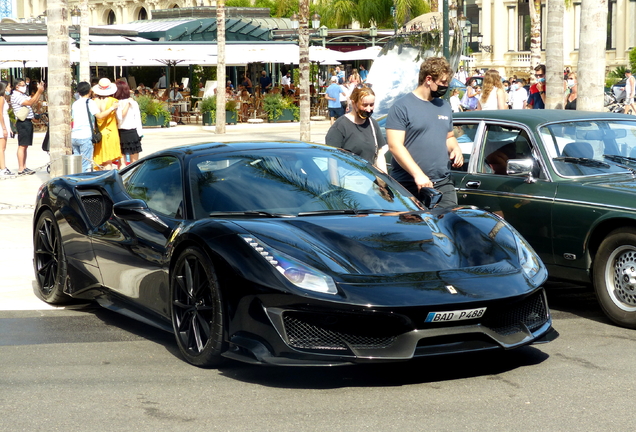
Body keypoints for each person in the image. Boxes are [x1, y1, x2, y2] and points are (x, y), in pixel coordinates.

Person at [385, 56, 464, 209]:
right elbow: (395, 145)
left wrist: (456, 149)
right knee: (414, 231)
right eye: (442, 82)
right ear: (429, 79)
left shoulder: (444, 106)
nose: (445, 86)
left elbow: (449, 136)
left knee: (447, 226)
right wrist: (418, 175)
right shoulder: (402, 107)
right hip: (408, 184)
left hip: (442, 182)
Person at [325, 86, 388, 173]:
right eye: (364, 105)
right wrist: (334, 184)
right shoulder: (340, 126)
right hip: (348, 179)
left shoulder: (373, 124)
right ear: (354, 103)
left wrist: (384, 180)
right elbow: (332, 159)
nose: (369, 109)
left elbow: (380, 154)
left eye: (371, 105)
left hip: (370, 179)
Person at [71, 82, 114, 172]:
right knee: (85, 164)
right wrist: (111, 108)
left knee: (77, 164)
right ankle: (82, 182)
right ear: (90, 91)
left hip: (74, 136)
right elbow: (99, 116)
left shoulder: (75, 103)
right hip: (85, 135)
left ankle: (76, 180)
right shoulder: (90, 102)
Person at [11, 78, 44, 175]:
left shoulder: (22, 95)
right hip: (23, 122)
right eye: (22, 85)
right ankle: (21, 168)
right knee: (22, 146)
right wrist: (39, 91)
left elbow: (33, 100)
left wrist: (39, 92)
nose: (24, 86)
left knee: (25, 146)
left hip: (28, 121)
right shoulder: (16, 95)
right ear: (17, 86)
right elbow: (29, 103)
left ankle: (24, 166)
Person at [92, 78, 121, 170]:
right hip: (111, 131)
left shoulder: (93, 101)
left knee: (100, 160)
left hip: (99, 133)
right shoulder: (114, 101)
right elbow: (119, 117)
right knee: (108, 161)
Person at [114, 80, 143, 165]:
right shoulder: (132, 102)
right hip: (132, 132)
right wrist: (140, 133)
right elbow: (138, 119)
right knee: (134, 162)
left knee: (122, 162)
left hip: (120, 132)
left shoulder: (116, 103)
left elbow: (119, 118)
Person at [0, 81, 10, 176]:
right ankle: (3, 168)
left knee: (3, 148)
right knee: (1, 148)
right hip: (1, 125)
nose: (10, 88)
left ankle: (3, 167)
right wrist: (3, 128)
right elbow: (0, 114)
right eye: (8, 86)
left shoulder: (3, 98)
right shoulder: (1, 98)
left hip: (4, 124)